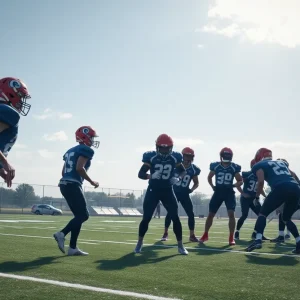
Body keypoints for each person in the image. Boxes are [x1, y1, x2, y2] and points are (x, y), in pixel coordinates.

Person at [135, 133, 188, 255]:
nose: (164, 151)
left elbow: (183, 172)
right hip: (153, 190)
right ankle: (139, 242)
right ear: (157, 147)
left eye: (166, 148)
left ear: (171, 148)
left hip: (168, 190)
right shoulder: (151, 157)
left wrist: (178, 178)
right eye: (162, 148)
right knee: (146, 218)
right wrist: (150, 176)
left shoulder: (175, 158)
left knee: (175, 217)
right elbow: (140, 174)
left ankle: (180, 245)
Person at [53, 126, 100, 256]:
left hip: (64, 183)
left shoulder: (69, 151)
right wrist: (92, 182)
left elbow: (63, 172)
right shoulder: (86, 149)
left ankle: (72, 248)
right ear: (85, 136)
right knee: (84, 215)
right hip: (73, 184)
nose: (93, 140)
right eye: (91, 137)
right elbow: (80, 168)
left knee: (78, 216)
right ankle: (61, 233)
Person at [245, 149, 300, 254]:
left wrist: (257, 197)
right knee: (286, 218)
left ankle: (258, 240)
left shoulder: (259, 165)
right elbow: (293, 175)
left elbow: (260, 182)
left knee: (262, 214)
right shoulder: (281, 162)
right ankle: (299, 242)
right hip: (295, 188)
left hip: (280, 188)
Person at [199, 147, 242, 246]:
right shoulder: (216, 166)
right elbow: (209, 177)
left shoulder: (234, 167)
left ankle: (231, 237)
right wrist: (213, 186)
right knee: (210, 214)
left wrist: (234, 185)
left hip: (228, 192)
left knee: (231, 214)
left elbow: (240, 180)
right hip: (218, 192)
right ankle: (205, 234)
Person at [161, 147, 200, 242]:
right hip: (173, 193)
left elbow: (196, 182)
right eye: (186, 156)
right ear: (182, 156)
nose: (188, 158)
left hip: (184, 193)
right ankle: (165, 233)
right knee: (170, 213)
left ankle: (192, 235)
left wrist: (191, 190)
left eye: (190, 156)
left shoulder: (194, 169)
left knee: (191, 214)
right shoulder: (175, 166)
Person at [0, 77, 31, 187]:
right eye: (21, 97)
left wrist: (1, 170)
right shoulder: (8, 112)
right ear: (10, 94)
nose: (21, 102)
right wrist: (5, 163)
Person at [235, 159, 268, 241]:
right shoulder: (247, 174)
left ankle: (257, 233)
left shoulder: (259, 175)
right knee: (244, 215)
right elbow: (238, 184)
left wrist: (265, 196)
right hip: (245, 199)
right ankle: (237, 232)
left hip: (254, 199)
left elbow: (260, 188)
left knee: (262, 215)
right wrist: (243, 193)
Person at [270, 158, 300, 243]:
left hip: (296, 198)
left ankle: (295, 239)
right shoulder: (289, 173)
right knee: (284, 216)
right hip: (295, 197)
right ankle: (282, 236)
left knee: (285, 217)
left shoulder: (287, 174)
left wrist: (280, 205)